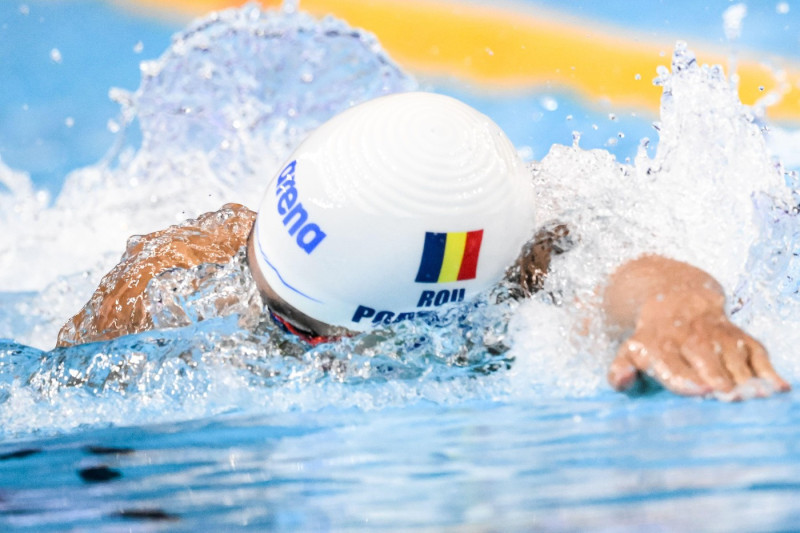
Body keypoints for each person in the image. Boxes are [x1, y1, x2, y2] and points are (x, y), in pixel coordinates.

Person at [56, 92, 790, 399]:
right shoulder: (189, 270)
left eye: (301, 330)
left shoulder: (522, 274)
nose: (265, 326)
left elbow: (631, 268)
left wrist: (686, 312)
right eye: (268, 299)